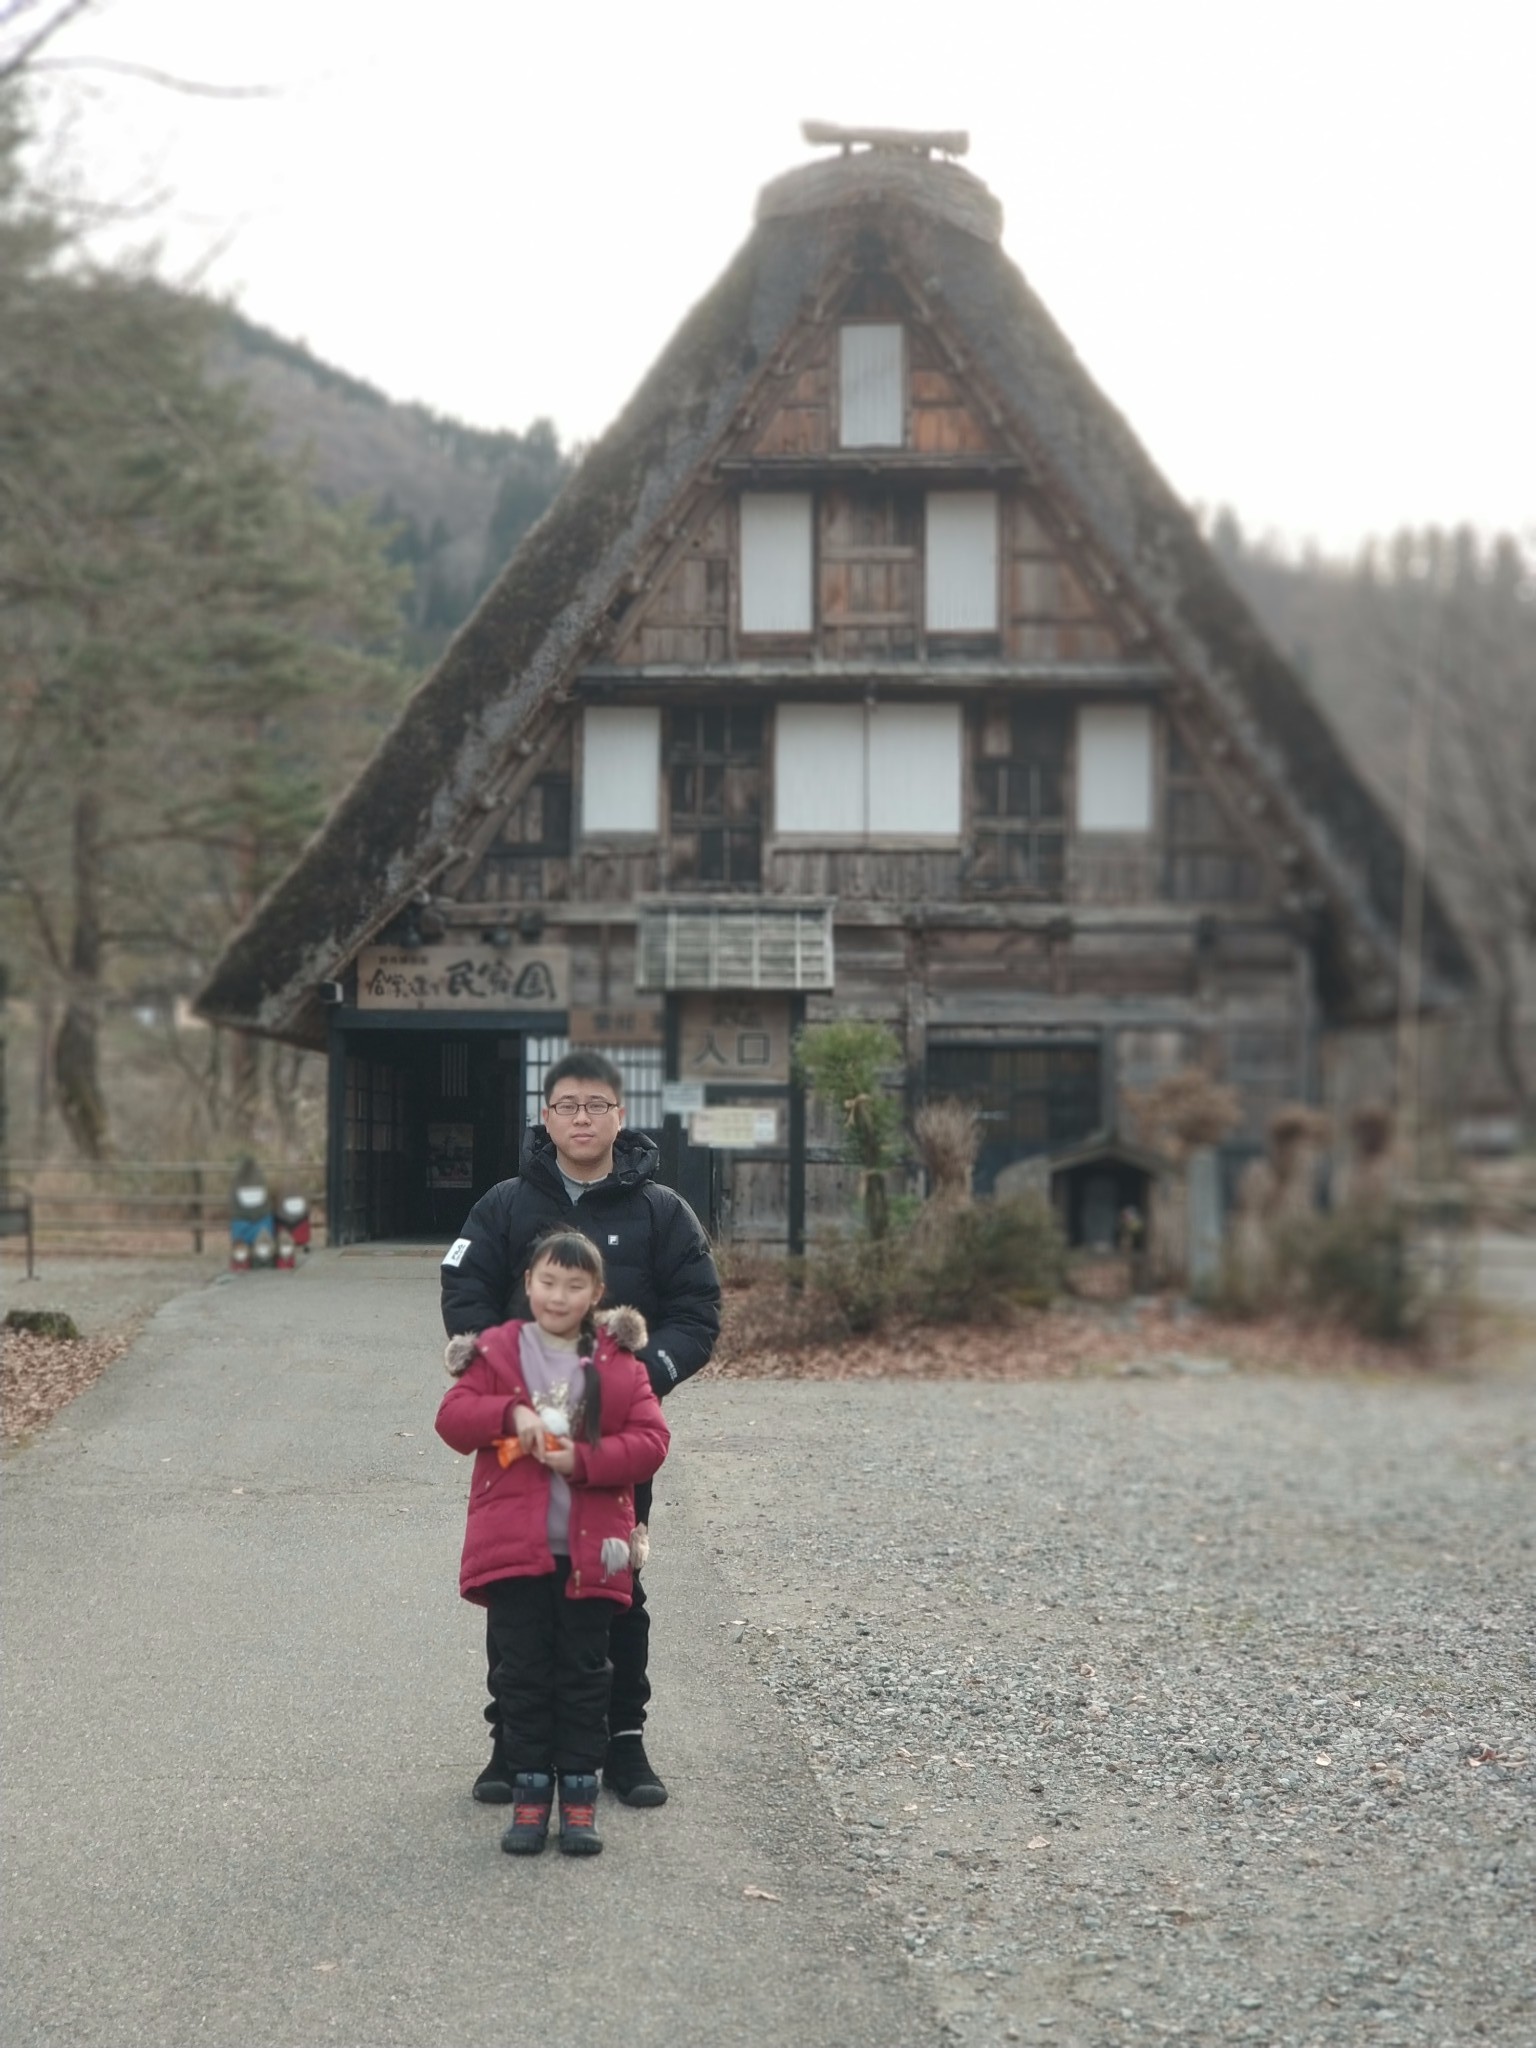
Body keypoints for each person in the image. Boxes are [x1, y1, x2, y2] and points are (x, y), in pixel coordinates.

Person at [440, 1049, 721, 1809]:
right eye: (568, 1106)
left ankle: (621, 1741)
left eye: (597, 1105)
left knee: (616, 1580)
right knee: (517, 1587)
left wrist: (635, 1384)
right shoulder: (503, 1204)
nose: (582, 1119)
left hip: (611, 1440)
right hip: (519, 1441)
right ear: (547, 1115)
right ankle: (514, 1743)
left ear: (620, 1116)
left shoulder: (662, 1210)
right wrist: (504, 1382)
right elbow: (464, 1290)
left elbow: (698, 1314)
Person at [436, 1230, 669, 1857]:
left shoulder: (620, 1365)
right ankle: (530, 1796)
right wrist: (508, 1416)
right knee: (523, 1676)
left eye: (574, 1286)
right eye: (547, 1281)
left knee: (585, 1676)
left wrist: (585, 1459)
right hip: (516, 1551)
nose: (558, 1295)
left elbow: (652, 1442)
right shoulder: (494, 1352)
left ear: (596, 1294)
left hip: (591, 1554)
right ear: (528, 1285)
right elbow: (452, 1420)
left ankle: (580, 1800)